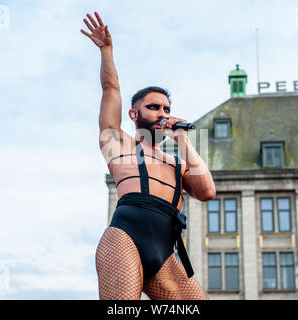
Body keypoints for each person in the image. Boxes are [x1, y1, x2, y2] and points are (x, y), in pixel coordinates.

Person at [81, 12, 216, 300]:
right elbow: (110, 88)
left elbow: (207, 192)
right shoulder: (118, 143)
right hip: (124, 239)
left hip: (165, 253)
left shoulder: (176, 163)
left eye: (167, 109)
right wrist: (106, 51)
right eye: (154, 107)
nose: (163, 114)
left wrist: (182, 139)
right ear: (135, 113)